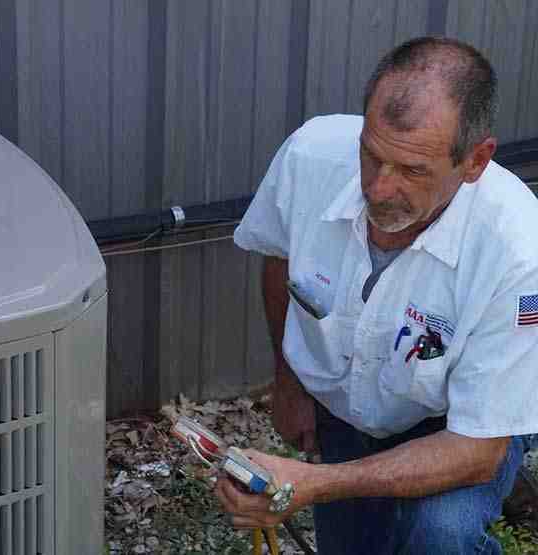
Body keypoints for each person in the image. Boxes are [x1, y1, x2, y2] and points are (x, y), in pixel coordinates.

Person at [217, 36, 538, 554]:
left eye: (413, 171)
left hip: (459, 421)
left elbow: (480, 448)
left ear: (475, 161)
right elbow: (281, 259)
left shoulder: (520, 254)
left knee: (440, 535)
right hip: (347, 402)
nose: (378, 189)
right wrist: (289, 380)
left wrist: (314, 483)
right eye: (371, 155)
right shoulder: (310, 156)